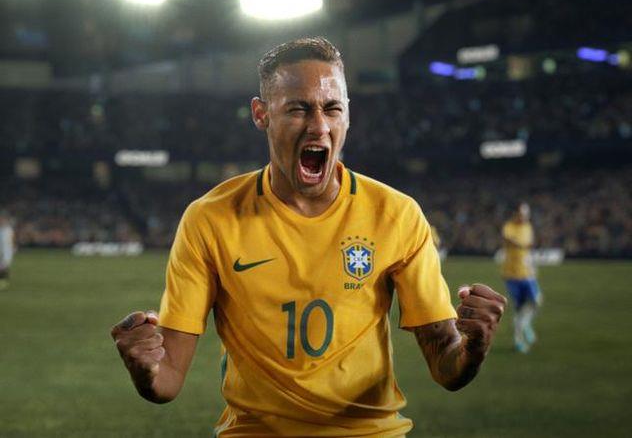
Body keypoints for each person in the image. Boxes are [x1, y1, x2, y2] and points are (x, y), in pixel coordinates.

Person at [111, 37, 507, 437]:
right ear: (261, 114)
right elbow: (168, 380)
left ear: (348, 115)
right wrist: (146, 367)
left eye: (332, 108)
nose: (319, 126)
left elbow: (446, 365)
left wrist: (472, 347)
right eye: (298, 109)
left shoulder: (396, 215)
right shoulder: (209, 219)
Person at [501, 201, 542, 353]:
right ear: (516, 214)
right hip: (512, 275)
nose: (525, 217)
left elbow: (529, 250)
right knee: (519, 308)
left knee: (536, 301)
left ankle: (525, 325)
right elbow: (509, 240)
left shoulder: (528, 227)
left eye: (527, 214)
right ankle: (518, 341)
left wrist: (533, 266)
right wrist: (523, 245)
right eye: (522, 214)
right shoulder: (509, 227)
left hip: (527, 273)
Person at [0, 211, 16, 291]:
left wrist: (13, 247)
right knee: (2, 266)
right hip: (1, 250)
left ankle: (3, 281)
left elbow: (12, 239)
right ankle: (3, 280)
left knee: (4, 266)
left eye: (2, 219)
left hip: (7, 251)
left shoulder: (9, 230)